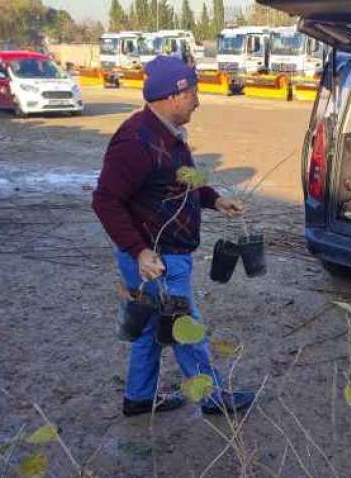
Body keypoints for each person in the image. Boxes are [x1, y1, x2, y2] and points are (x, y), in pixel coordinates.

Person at [92, 56, 255, 417]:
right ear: (173, 95)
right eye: (193, 92)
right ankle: (213, 397)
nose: (198, 99)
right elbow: (105, 200)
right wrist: (138, 251)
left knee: (152, 325)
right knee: (184, 326)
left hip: (167, 255)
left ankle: (138, 397)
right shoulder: (136, 140)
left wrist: (214, 199)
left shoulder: (167, 135)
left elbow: (180, 182)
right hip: (157, 260)